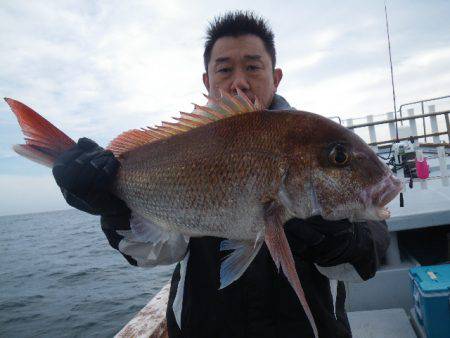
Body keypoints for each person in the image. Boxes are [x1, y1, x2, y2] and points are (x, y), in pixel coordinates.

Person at [52, 11, 390, 338]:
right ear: (207, 81)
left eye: (253, 67)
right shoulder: (185, 147)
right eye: (224, 69)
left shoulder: (312, 138)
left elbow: (365, 263)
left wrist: (339, 240)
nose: (239, 81)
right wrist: (113, 207)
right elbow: (156, 251)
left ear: (276, 76)